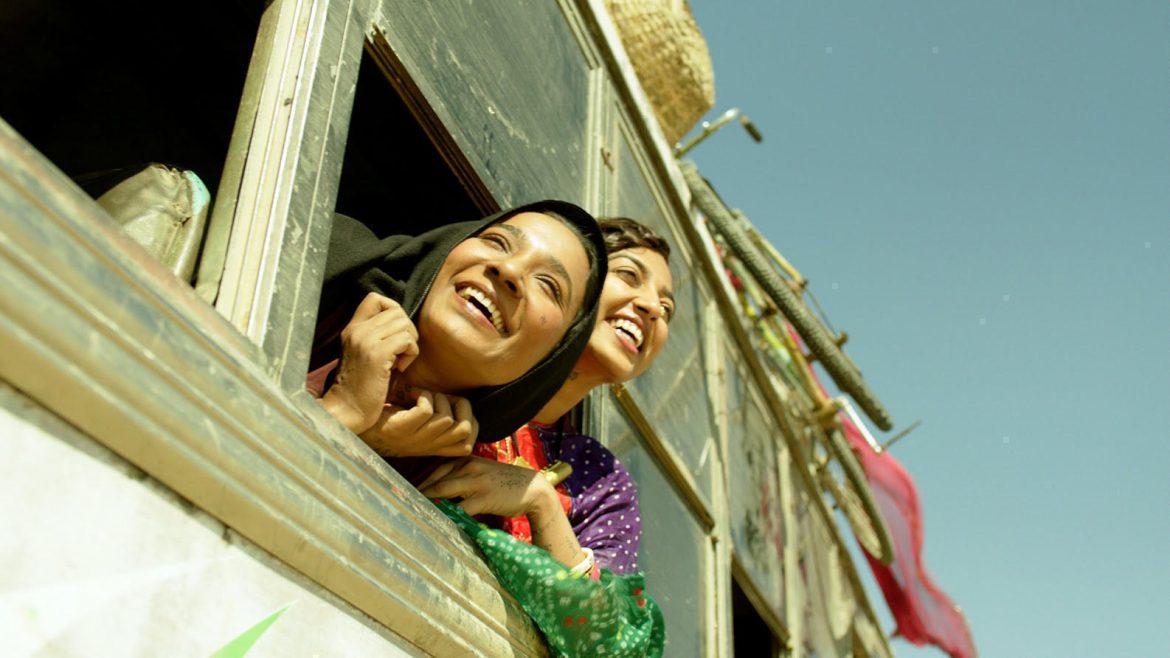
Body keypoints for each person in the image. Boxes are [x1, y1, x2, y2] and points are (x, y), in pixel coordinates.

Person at [418, 217, 673, 578]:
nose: (652, 309)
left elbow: (606, 629)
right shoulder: (463, 366)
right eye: (629, 276)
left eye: (667, 310)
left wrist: (542, 504)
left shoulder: (602, 479)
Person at [307, 201, 608, 452]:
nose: (509, 269)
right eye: (497, 242)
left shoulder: (466, 491)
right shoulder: (313, 260)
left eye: (547, 285)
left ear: (550, 361)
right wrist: (345, 411)